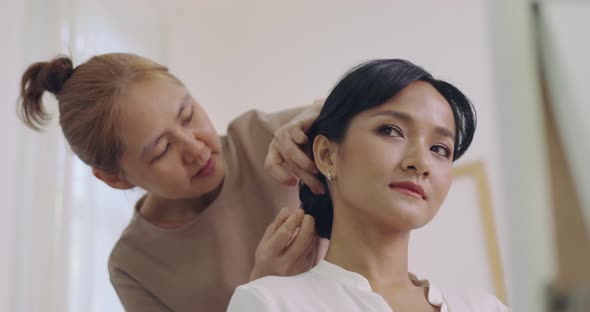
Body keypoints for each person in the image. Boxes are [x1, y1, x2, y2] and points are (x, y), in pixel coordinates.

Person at [18, 53, 327, 311]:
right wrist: (263, 293)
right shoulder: (135, 266)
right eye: (162, 149)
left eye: (187, 115)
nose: (195, 149)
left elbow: (375, 109)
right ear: (114, 179)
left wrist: (329, 113)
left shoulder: (270, 137)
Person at [228, 59, 511, 311]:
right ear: (327, 155)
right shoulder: (270, 302)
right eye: (390, 130)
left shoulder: (484, 307)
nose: (421, 163)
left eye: (439, 149)